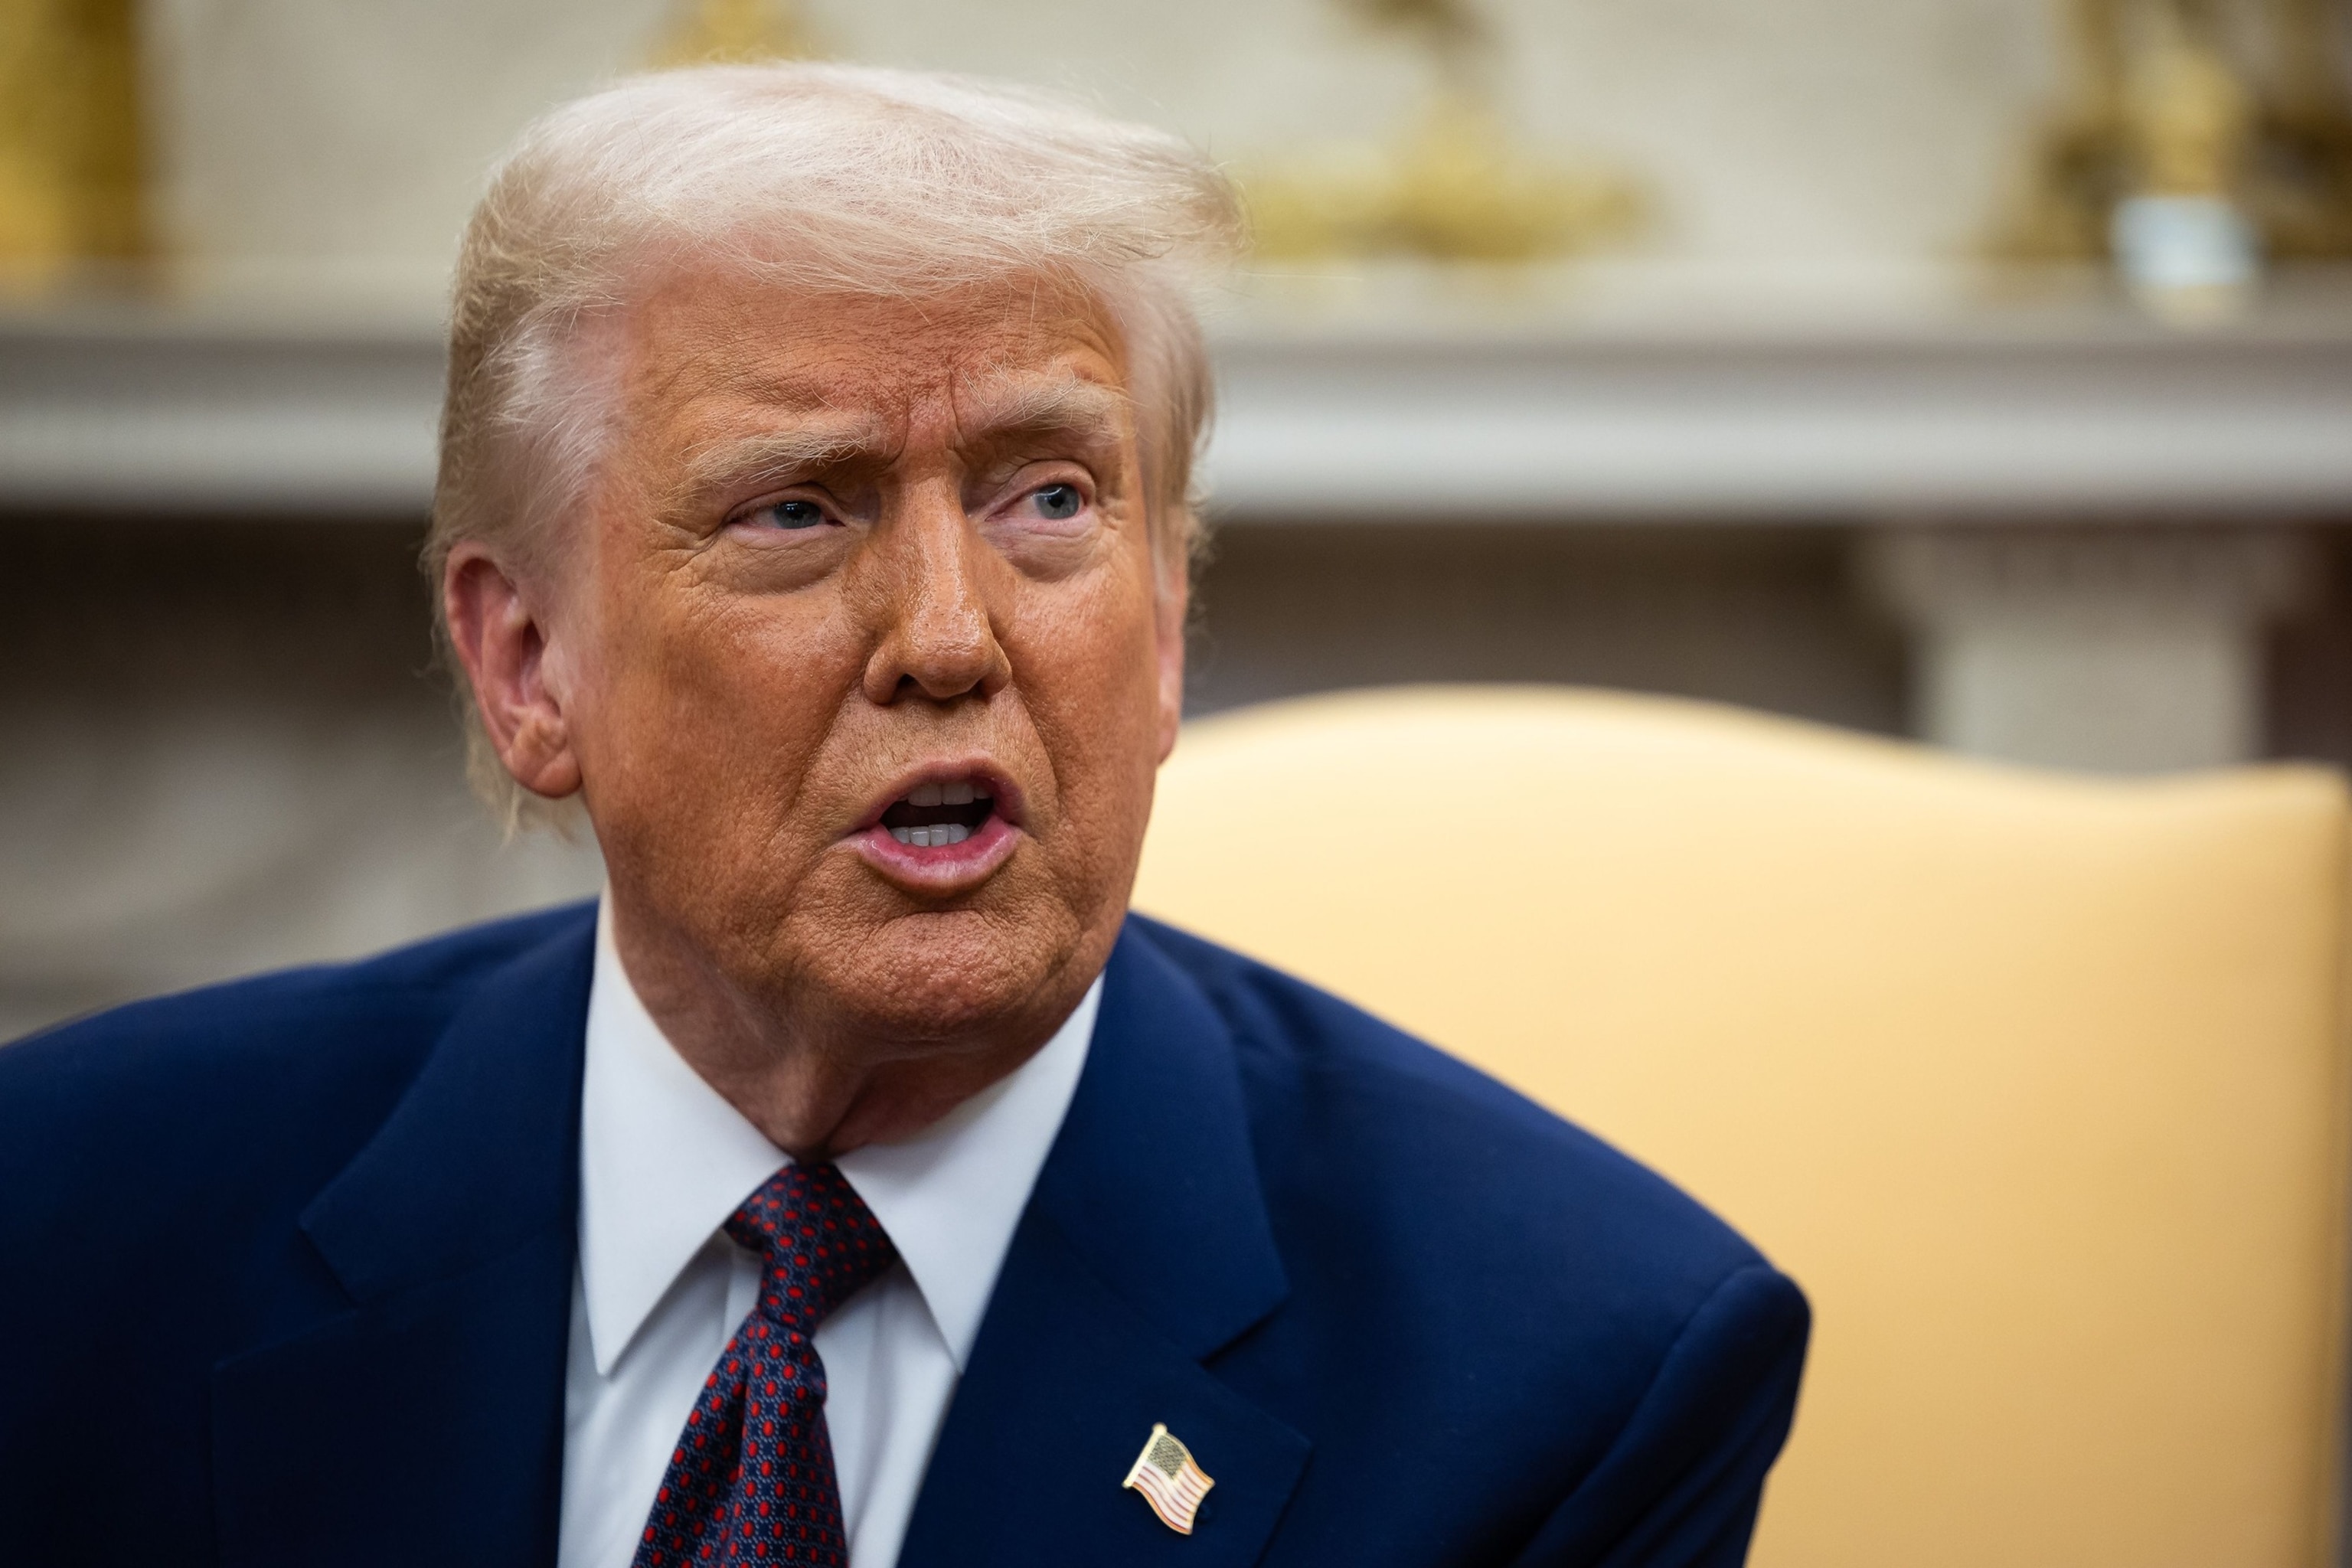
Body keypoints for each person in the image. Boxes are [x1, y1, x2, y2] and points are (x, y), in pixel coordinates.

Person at [0, 64, 1807, 1568]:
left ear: (1167, 625)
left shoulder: (1567, 1375)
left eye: (1048, 499)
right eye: (797, 509)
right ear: (529, 660)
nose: (951, 636)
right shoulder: (69, 1225)